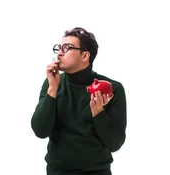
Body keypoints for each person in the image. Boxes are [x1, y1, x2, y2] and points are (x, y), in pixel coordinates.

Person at [31, 27, 127, 175]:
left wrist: (98, 112)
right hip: (57, 172)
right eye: (59, 48)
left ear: (85, 56)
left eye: (66, 48)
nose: (60, 53)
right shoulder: (52, 84)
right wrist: (52, 90)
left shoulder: (112, 88)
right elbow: (40, 130)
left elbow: (115, 143)